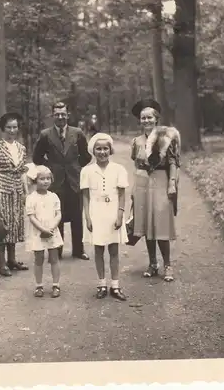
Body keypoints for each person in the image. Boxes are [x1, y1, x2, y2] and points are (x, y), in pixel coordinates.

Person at [32, 101, 92, 260]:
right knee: (56, 215)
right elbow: (37, 158)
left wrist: (76, 167)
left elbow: (86, 156)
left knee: (76, 216)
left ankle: (79, 250)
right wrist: (50, 167)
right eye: (57, 114)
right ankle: (56, 249)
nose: (60, 117)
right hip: (55, 181)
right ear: (52, 116)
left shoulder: (77, 133)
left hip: (74, 179)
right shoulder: (45, 134)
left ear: (67, 115)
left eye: (63, 114)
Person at [130, 99, 181, 282]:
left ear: (156, 119)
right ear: (140, 120)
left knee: (160, 223)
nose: (146, 121)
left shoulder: (166, 137)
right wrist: (134, 189)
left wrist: (172, 183)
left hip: (161, 180)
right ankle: (153, 264)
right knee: (146, 224)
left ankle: (167, 265)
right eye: (143, 118)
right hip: (143, 182)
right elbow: (136, 164)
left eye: (149, 117)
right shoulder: (136, 141)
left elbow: (174, 162)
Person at [81, 133, 129, 301]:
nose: (102, 152)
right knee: (99, 249)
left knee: (114, 250)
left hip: (113, 210)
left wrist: (120, 214)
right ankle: (101, 284)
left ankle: (115, 285)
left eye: (105, 148)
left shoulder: (118, 169)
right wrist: (87, 216)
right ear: (93, 151)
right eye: (98, 149)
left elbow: (122, 193)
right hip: (96, 211)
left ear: (111, 150)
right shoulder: (87, 171)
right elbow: (85, 196)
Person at [0, 112, 29, 277]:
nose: (12, 130)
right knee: (2, 227)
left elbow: (23, 171)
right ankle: (2, 263)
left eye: (15, 127)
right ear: (3, 129)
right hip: (1, 190)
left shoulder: (21, 148)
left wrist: (25, 191)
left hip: (17, 191)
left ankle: (12, 260)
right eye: (9, 127)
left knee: (15, 225)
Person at [25, 164, 63, 298]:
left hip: (52, 230)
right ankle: (39, 285)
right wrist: (42, 229)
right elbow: (31, 216)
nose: (45, 181)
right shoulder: (31, 198)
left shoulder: (54, 197)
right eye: (42, 179)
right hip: (38, 232)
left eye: (48, 178)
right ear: (35, 181)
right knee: (39, 258)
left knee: (54, 257)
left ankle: (56, 284)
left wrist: (51, 228)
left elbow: (58, 214)